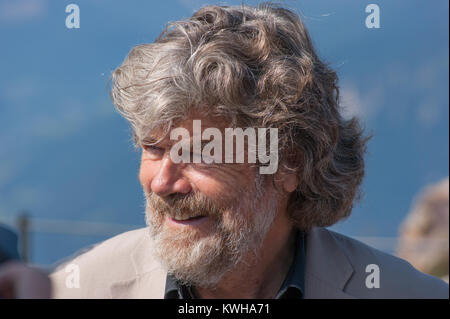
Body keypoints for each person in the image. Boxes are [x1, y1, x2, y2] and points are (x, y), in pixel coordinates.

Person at [2, 3, 448, 299]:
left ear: (288, 162)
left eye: (199, 152)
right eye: (153, 148)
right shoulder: (78, 290)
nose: (162, 182)